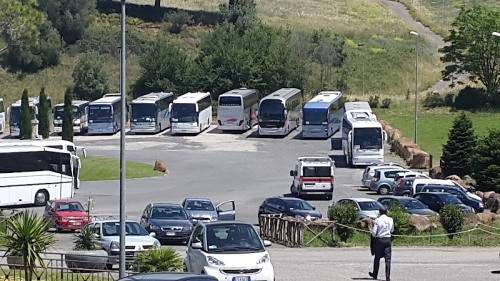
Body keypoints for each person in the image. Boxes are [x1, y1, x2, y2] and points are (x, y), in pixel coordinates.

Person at [369, 206, 394, 281]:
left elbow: (374, 232)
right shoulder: (390, 219)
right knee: (388, 259)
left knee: (377, 258)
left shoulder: (377, 220)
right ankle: (387, 277)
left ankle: (375, 274)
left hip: (379, 240)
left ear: (379, 212)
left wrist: (374, 235)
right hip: (387, 239)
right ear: (386, 212)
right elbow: (392, 230)